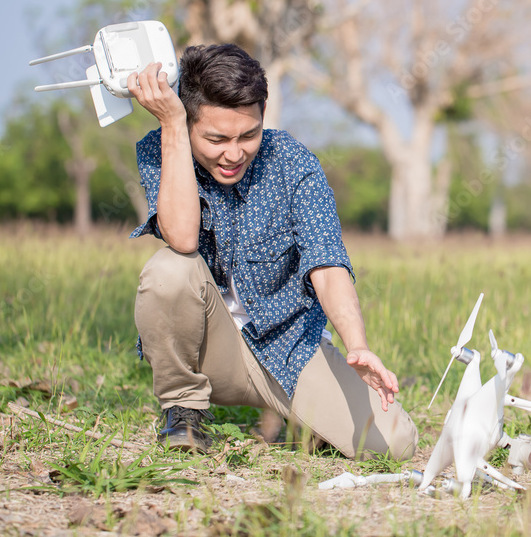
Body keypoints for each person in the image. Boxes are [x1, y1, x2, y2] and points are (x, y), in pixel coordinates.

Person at [127, 43, 417, 461]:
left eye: (249, 134)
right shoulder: (164, 146)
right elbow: (183, 237)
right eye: (215, 138)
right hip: (210, 349)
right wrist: (173, 125)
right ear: (188, 124)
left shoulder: (291, 162)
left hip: (289, 350)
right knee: (169, 269)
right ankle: (183, 410)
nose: (234, 153)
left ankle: (303, 419)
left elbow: (327, 262)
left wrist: (358, 344)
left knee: (396, 445)